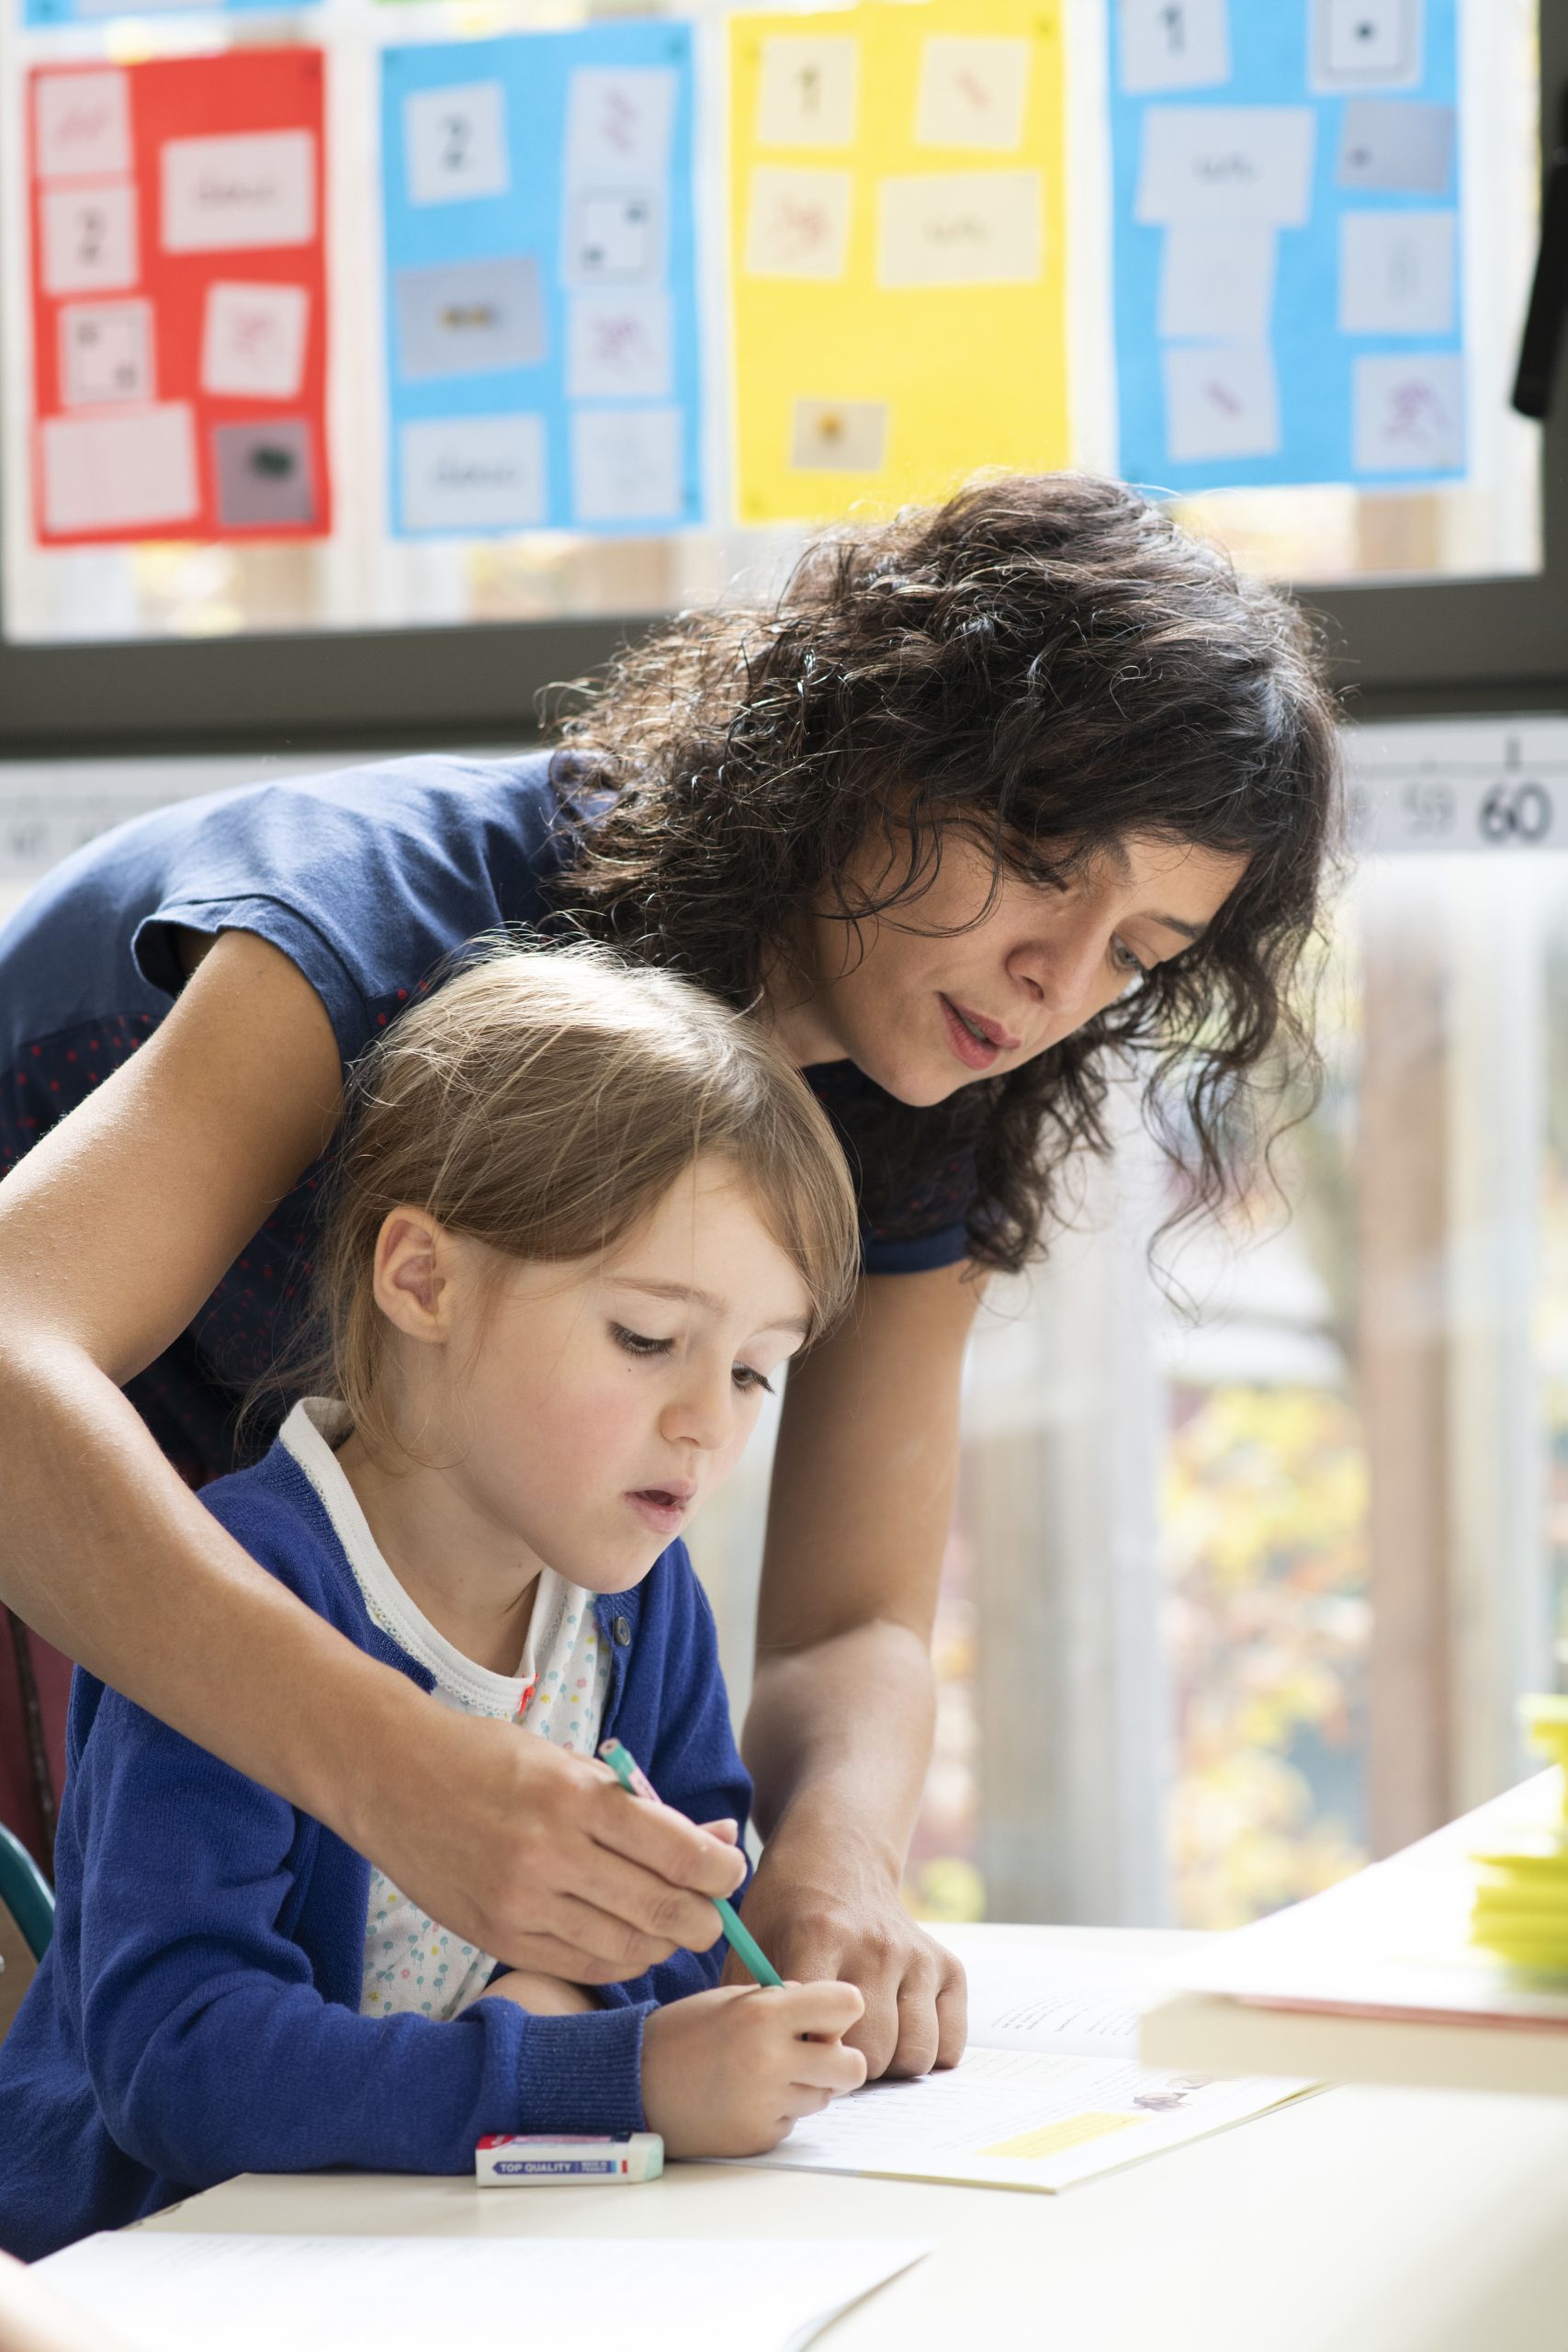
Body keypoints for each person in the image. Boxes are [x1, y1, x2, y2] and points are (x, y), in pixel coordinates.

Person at [0, 472, 1339, 2077]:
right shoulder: (380, 918)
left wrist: (836, 1861)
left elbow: (850, 1622)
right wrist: (395, 1767)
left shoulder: (937, 1084)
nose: (1063, 982)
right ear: (875, 740)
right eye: (1044, 860)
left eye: (1141, 954)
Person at [0, 948, 872, 2262]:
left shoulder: (636, 1595)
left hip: (456, 2251)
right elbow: (180, 2069)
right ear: (425, 1281)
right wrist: (598, 2071)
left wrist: (655, 2019)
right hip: (175, 2273)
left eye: (756, 1373)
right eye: (648, 1339)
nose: (705, 1425)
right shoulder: (240, 1597)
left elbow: (696, 1936)